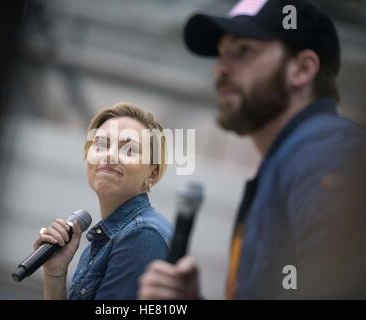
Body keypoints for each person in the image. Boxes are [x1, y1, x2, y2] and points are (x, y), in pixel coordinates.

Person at [139, 0, 366, 299]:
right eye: (221, 54)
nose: (220, 69)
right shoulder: (290, 161)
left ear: (302, 69)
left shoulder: (326, 149)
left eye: (243, 51)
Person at [34, 102, 172, 299]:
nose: (109, 155)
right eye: (100, 145)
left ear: (152, 173)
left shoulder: (144, 235)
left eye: (130, 150)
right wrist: (54, 273)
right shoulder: (105, 240)